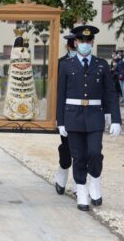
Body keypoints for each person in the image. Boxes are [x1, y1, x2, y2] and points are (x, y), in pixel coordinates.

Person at [57, 25, 122, 211]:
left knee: (94, 153)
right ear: (75, 42)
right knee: (78, 156)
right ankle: (81, 190)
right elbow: (60, 95)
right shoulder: (66, 65)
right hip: (73, 116)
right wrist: (60, 121)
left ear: (92, 42)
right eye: (81, 41)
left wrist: (115, 118)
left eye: (88, 41)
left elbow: (110, 93)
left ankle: (95, 181)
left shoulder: (101, 64)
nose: (85, 44)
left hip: (94, 115)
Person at [54, 34, 77, 195]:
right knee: (67, 147)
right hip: (67, 111)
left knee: (82, 151)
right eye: (74, 47)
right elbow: (57, 90)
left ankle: (79, 184)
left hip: (84, 113)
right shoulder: (61, 63)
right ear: (69, 47)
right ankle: (62, 172)